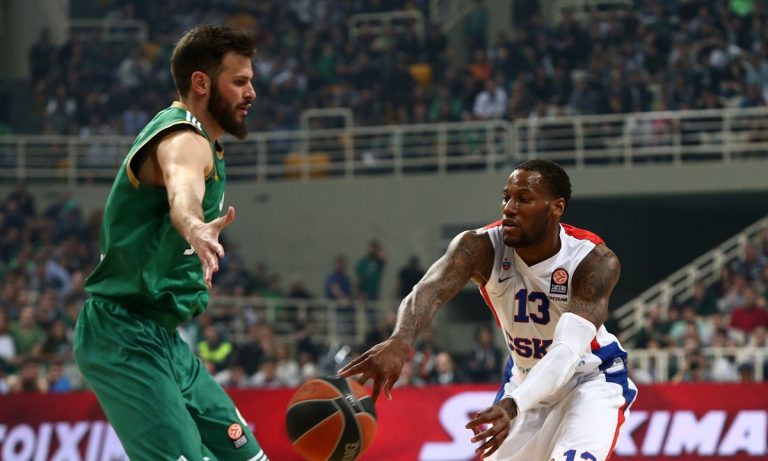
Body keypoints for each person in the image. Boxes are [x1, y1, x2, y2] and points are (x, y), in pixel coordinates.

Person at [340, 159, 637, 460]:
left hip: (589, 380)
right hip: (526, 383)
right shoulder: (481, 247)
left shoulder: (593, 261)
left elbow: (566, 351)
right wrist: (400, 339)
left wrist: (513, 404)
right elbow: (428, 290)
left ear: (556, 207)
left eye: (524, 199)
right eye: (506, 197)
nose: (509, 208)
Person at [73, 25, 270, 461]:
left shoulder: (207, 145)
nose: (251, 92)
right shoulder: (183, 139)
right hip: (122, 334)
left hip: (163, 339)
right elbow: (182, 192)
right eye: (239, 81)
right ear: (201, 83)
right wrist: (193, 226)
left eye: (251, 81)